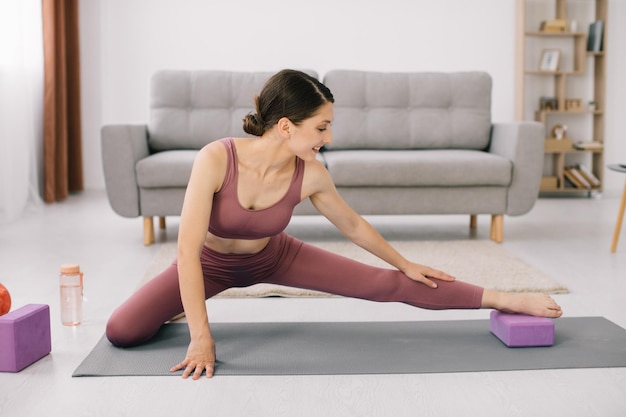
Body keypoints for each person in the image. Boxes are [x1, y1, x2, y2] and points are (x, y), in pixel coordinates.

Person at [106, 69, 562, 380]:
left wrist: (405, 263)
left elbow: (355, 226)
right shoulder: (215, 159)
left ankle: (505, 297)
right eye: (322, 128)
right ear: (286, 126)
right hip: (209, 263)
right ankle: (186, 306)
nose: (329, 137)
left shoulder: (312, 173)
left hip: (275, 257)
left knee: (390, 285)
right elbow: (186, 252)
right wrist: (201, 339)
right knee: (123, 332)